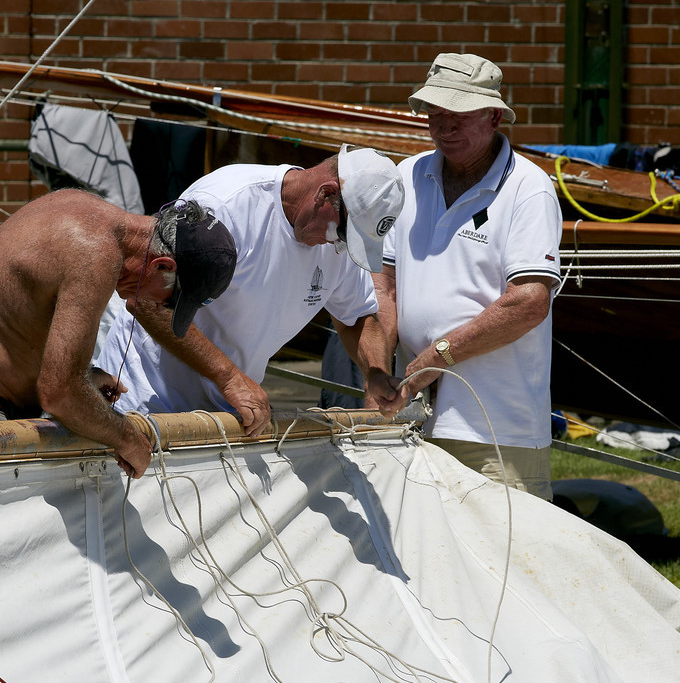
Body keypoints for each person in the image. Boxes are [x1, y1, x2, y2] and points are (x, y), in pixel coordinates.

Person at [0, 193, 237, 478]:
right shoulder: (96, 250)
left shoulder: (85, 212)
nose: (157, 306)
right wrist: (127, 437)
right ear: (162, 266)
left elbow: (16, 331)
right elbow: (59, 392)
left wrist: (83, 380)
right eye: (170, 300)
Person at [94, 146, 407, 431]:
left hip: (228, 418)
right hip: (143, 399)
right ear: (326, 194)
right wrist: (230, 377)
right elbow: (147, 300)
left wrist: (375, 373)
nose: (337, 245)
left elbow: (359, 318)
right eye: (342, 233)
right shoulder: (224, 204)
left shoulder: (338, 244)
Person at [377, 53, 563, 500]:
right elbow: (384, 284)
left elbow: (529, 302)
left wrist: (431, 360)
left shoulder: (529, 188)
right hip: (413, 415)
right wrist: (379, 369)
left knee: (506, 561)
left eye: (458, 114)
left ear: (495, 116)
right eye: (435, 114)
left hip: (497, 426)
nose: (444, 127)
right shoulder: (408, 174)